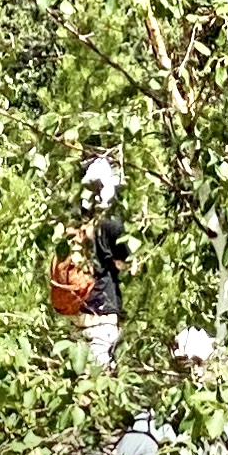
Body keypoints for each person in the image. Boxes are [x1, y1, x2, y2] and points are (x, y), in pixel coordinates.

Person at [75, 148, 128, 369]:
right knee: (101, 380)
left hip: (77, 313)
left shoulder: (74, 223)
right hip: (104, 313)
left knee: (81, 377)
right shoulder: (111, 225)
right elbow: (125, 261)